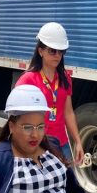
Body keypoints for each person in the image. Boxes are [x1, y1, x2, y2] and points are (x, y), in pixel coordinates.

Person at [15, 23, 84, 164]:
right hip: (38, 145)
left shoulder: (65, 78)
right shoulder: (28, 79)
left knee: (65, 178)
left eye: (61, 51)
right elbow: (16, 116)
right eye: (52, 51)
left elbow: (68, 113)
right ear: (40, 51)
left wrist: (78, 142)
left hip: (62, 144)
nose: (57, 55)